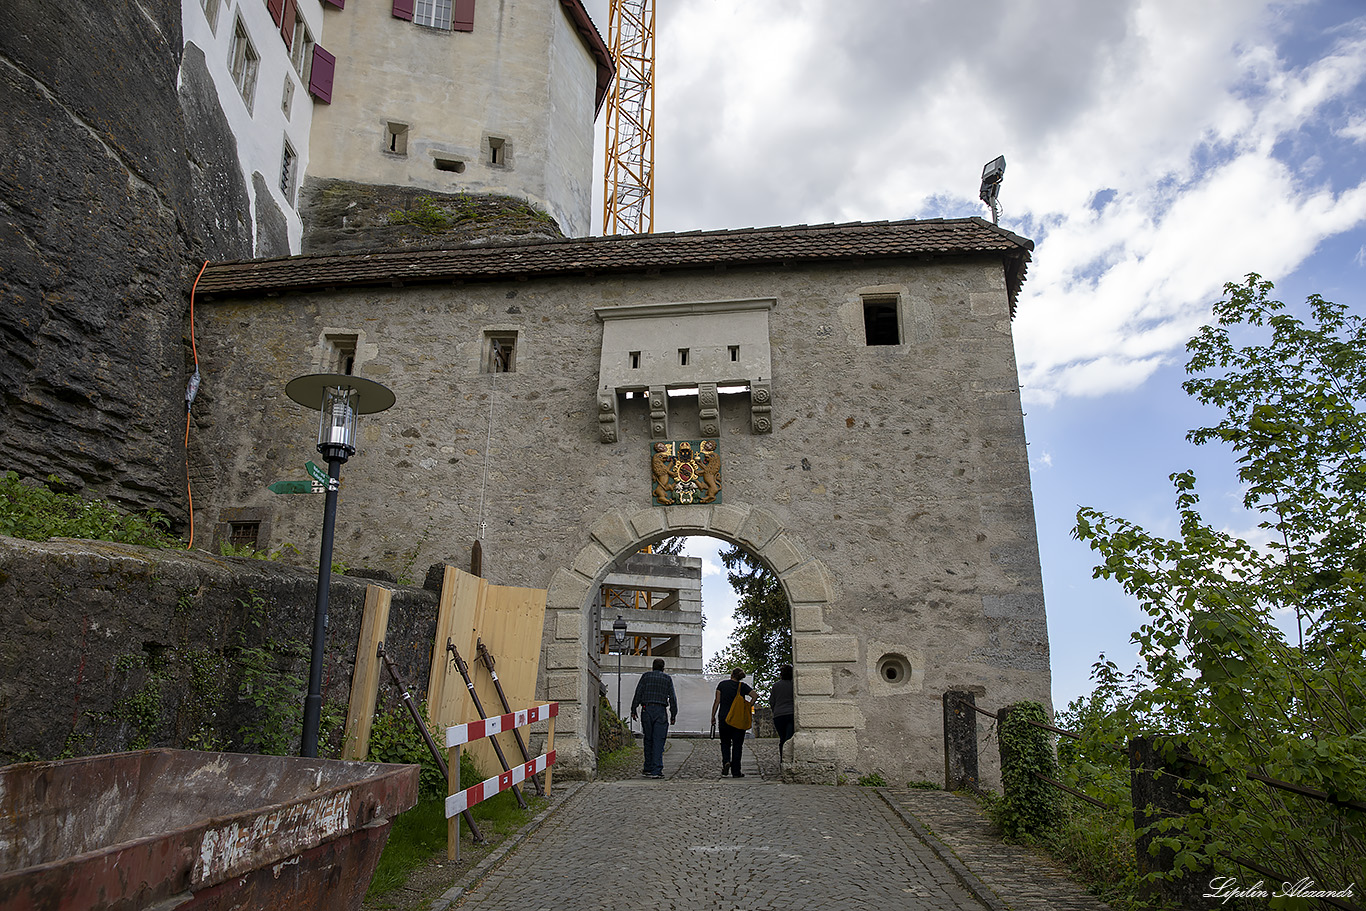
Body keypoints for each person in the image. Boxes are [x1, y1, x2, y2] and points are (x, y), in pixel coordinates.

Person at [630, 657, 678, 779]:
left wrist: (633, 709)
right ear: (663, 668)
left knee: (648, 739)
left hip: (646, 709)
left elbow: (638, 692)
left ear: (652, 667)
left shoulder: (646, 676)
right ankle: (657, 769)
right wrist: (673, 714)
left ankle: (648, 767)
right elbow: (672, 697)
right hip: (660, 710)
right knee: (659, 740)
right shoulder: (667, 679)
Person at [710, 668, 753, 778]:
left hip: (724, 718)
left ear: (731, 675)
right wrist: (747, 706)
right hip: (738, 719)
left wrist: (713, 715)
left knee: (725, 743)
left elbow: (717, 701)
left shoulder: (722, 685)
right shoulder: (742, 687)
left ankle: (726, 762)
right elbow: (755, 695)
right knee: (737, 745)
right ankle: (736, 771)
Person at [770, 664, 795, 763]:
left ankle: (783, 759)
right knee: (788, 738)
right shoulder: (794, 685)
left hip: (779, 715)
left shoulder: (776, 685)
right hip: (791, 713)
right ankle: (788, 759)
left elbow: (772, 701)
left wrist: (775, 710)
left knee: (782, 738)